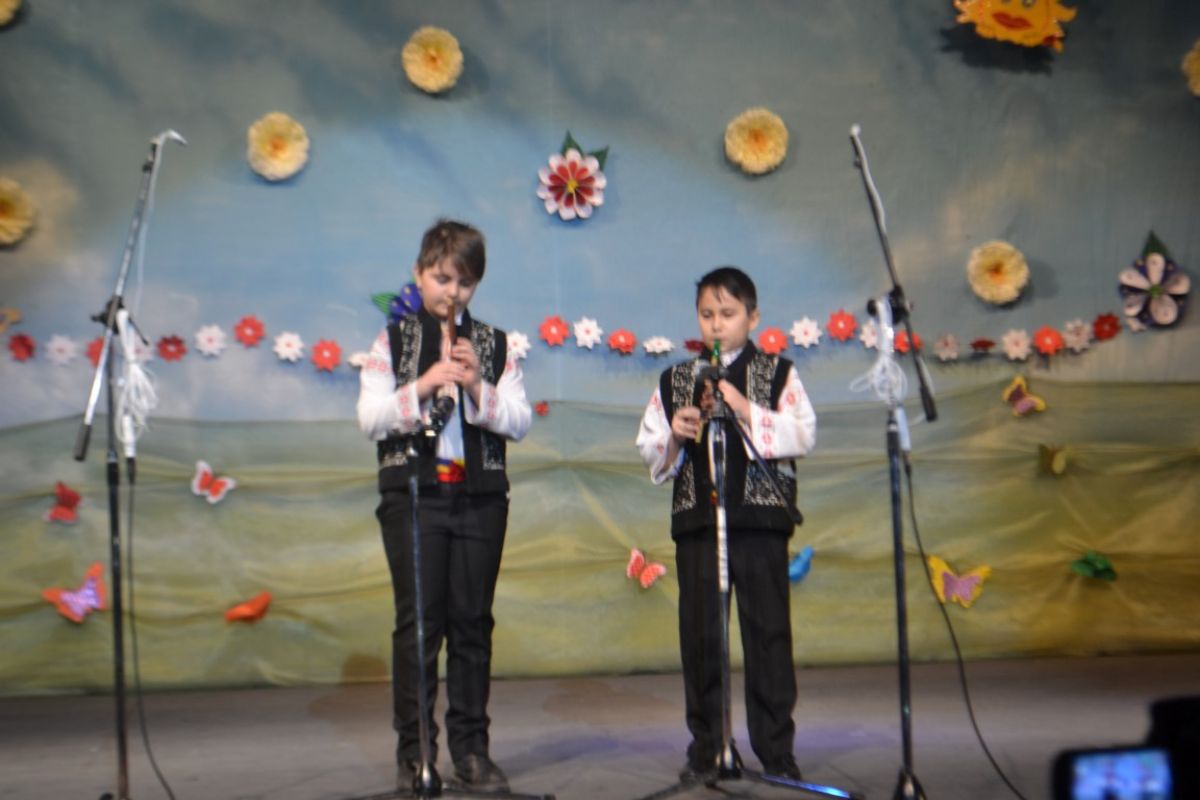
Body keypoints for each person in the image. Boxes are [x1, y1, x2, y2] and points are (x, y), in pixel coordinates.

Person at [357, 219, 531, 791]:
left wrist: (477, 385)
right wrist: (426, 383)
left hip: (480, 498)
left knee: (472, 624)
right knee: (419, 627)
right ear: (418, 274)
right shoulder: (392, 342)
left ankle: (472, 752)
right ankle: (416, 754)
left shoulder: (496, 345)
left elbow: (519, 421)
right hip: (415, 497)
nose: (452, 292)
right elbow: (370, 419)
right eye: (441, 279)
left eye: (464, 282)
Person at [635, 265, 816, 782]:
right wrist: (675, 433)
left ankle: (777, 752)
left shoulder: (778, 373)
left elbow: (803, 434)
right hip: (698, 524)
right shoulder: (677, 379)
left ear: (752, 317)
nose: (717, 324)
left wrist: (742, 407)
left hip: (759, 524)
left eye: (728, 314)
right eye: (707, 314)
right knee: (701, 639)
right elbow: (650, 448)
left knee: (768, 635)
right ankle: (708, 747)